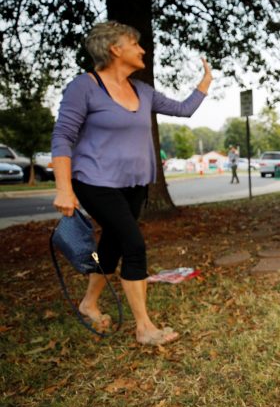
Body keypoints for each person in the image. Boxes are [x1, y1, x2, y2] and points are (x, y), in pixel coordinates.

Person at [51, 21, 212, 346]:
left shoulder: (143, 91)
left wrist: (206, 82)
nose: (142, 49)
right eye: (134, 43)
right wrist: (64, 188)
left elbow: (184, 109)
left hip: (135, 184)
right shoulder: (85, 86)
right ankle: (144, 327)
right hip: (94, 181)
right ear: (115, 49)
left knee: (111, 244)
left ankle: (89, 302)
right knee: (134, 245)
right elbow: (63, 137)